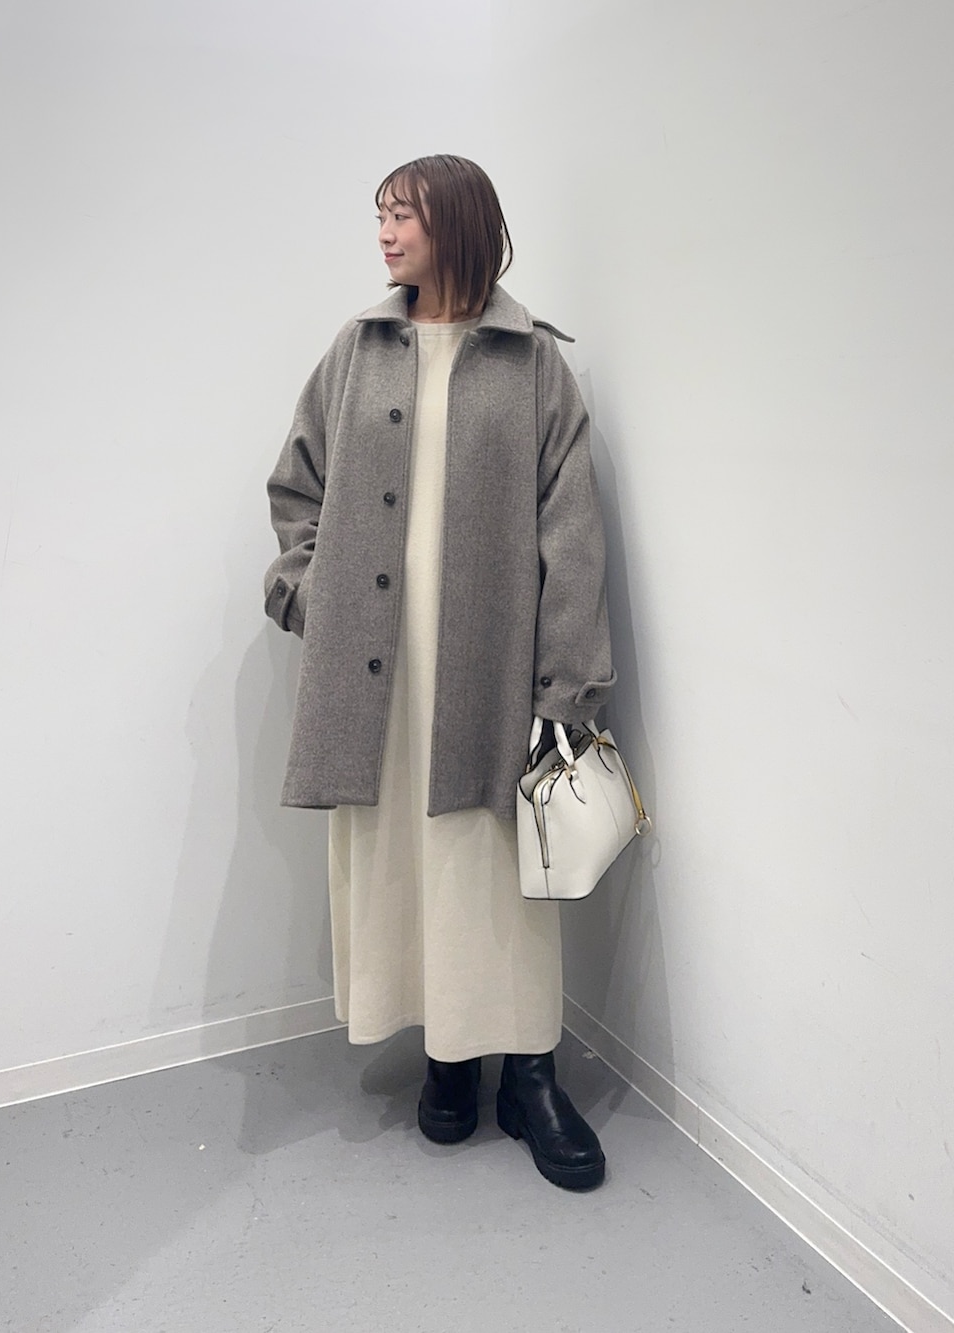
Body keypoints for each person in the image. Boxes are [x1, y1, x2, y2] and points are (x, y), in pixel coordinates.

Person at [264, 154, 616, 1191]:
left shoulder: (532, 362)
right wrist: (306, 590)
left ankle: (530, 1073)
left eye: (402, 215)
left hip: (488, 665)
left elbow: (572, 533)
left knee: (496, 870)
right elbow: (297, 483)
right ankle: (448, 1058)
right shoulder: (359, 349)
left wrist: (565, 683)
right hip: (375, 669)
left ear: (456, 222)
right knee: (404, 863)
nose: (384, 233)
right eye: (379, 215)